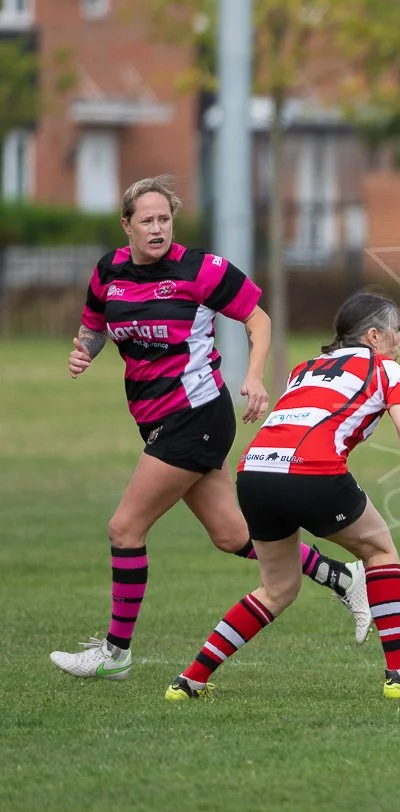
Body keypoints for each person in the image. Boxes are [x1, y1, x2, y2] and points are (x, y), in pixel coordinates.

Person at [52, 175, 367, 683]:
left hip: (195, 415)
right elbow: (95, 324)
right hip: (155, 418)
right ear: (126, 225)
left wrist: (255, 375)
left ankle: (115, 652)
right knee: (230, 534)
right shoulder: (108, 271)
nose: (157, 228)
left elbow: (257, 319)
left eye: (164, 219)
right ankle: (342, 576)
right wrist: (85, 351)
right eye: (147, 220)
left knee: (125, 529)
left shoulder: (201, 269)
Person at [165, 290, 400, 700]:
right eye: (397, 333)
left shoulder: (304, 367)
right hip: (312, 470)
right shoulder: (388, 371)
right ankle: (399, 674)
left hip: (255, 471)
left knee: (277, 589)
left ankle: (189, 681)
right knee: (380, 551)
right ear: (375, 336)